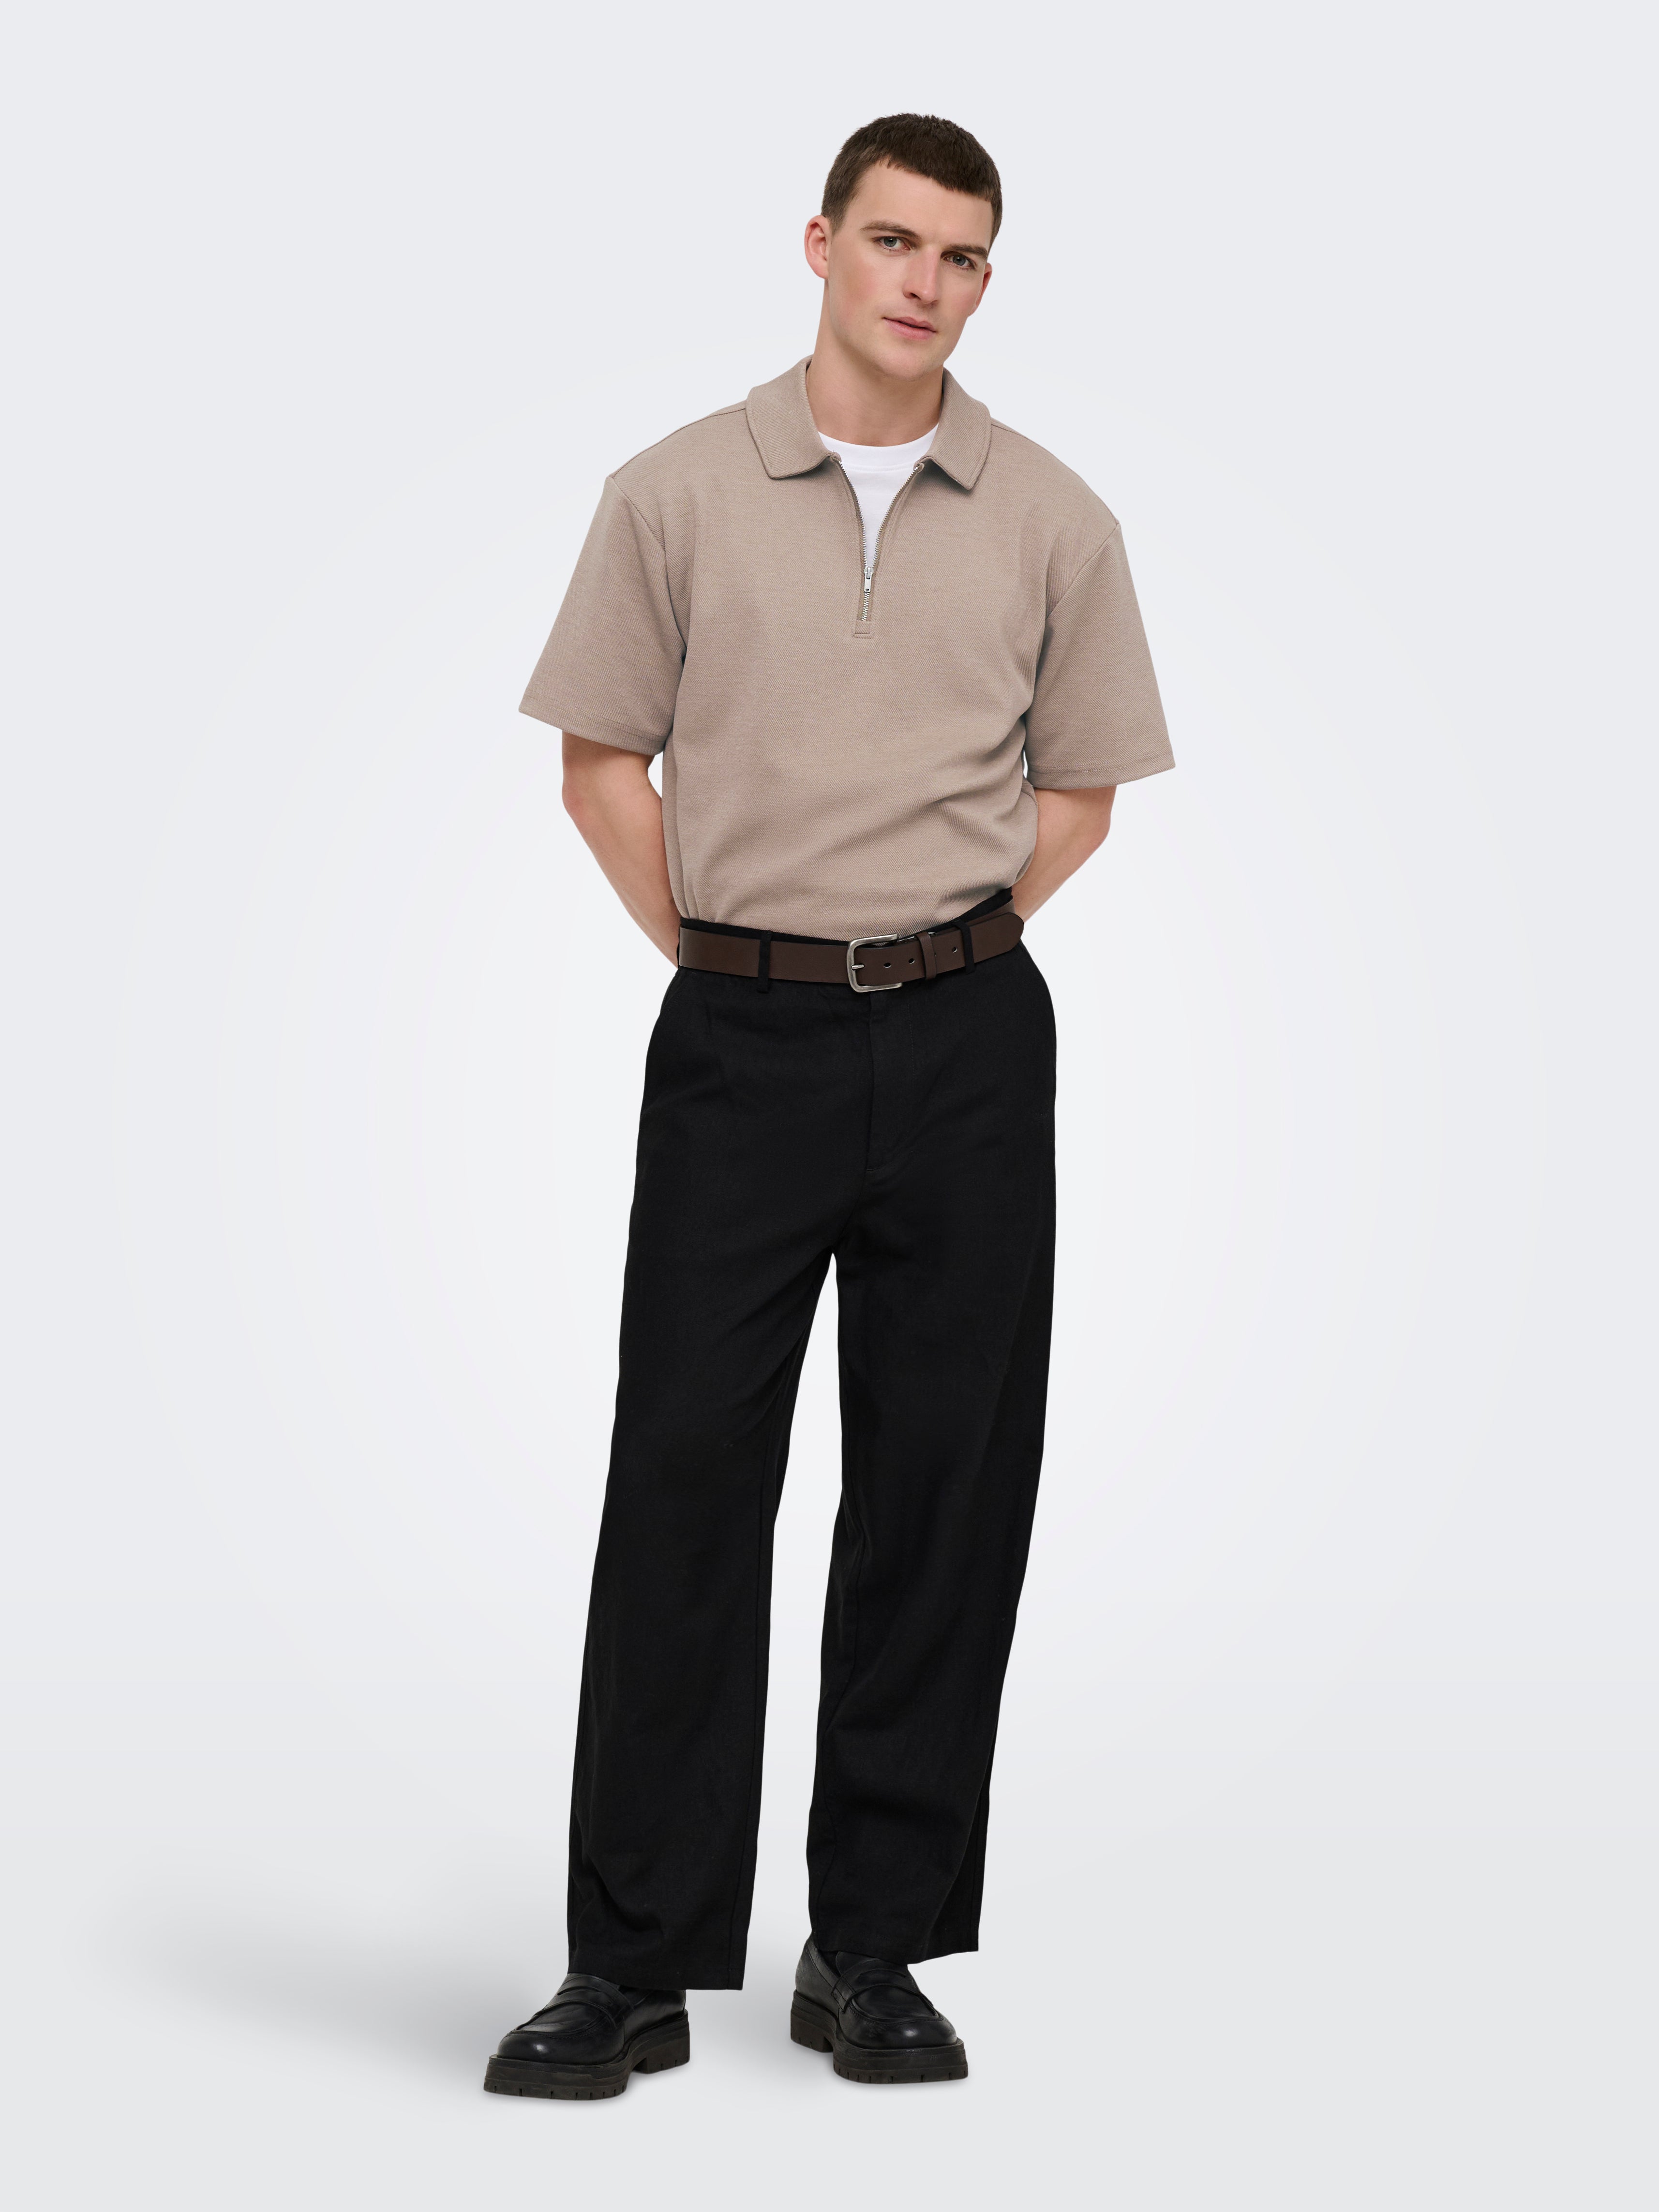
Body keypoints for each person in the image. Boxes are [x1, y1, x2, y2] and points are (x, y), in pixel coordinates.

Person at [483, 112, 1173, 2101]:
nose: (924, 283)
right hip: (740, 1039)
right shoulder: (676, 491)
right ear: (819, 244)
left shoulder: (1055, 516)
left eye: (962, 257)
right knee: (685, 1479)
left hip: (969, 1046)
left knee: (943, 1492)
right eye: (893, 241)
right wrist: (730, 952)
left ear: (985, 280)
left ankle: (871, 1948)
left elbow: (1079, 798)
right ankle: (629, 1960)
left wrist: (928, 952)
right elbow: (600, 763)